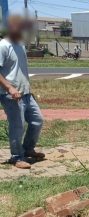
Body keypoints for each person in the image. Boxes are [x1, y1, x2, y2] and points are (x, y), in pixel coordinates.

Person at [0, 15, 44, 169]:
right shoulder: (3, 46)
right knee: (17, 126)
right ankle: (16, 157)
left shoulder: (20, 44)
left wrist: (27, 88)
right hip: (10, 95)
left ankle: (28, 149)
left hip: (25, 93)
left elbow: (20, 70)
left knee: (37, 120)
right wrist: (10, 88)